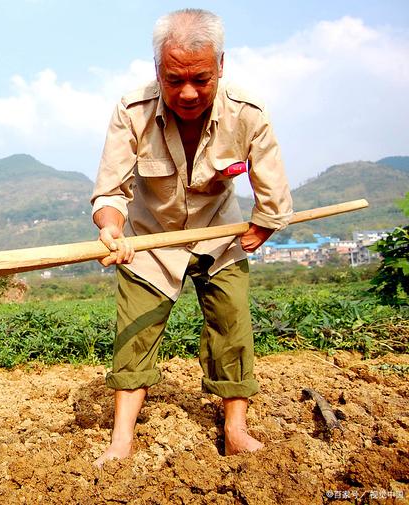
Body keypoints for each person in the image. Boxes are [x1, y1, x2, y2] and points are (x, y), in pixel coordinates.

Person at [91, 8, 293, 465]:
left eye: (200, 80)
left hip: (220, 234)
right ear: (157, 69)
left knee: (231, 323)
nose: (187, 92)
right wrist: (111, 228)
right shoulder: (132, 111)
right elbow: (110, 190)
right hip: (149, 238)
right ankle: (121, 439)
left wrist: (265, 222)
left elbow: (272, 188)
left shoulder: (248, 114)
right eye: (173, 78)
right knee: (134, 331)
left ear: (222, 65)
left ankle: (235, 429)